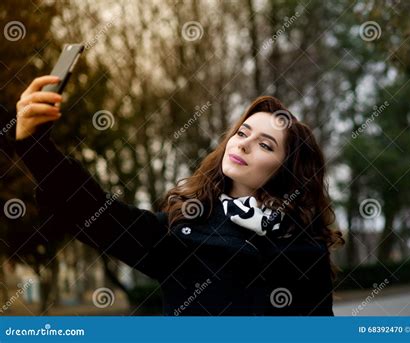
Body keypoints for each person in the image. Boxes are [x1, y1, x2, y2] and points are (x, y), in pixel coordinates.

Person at [13, 75, 344, 316]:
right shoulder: (184, 230)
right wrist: (34, 147)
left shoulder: (303, 249)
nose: (243, 142)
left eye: (265, 144)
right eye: (242, 132)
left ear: (285, 171)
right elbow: (98, 213)